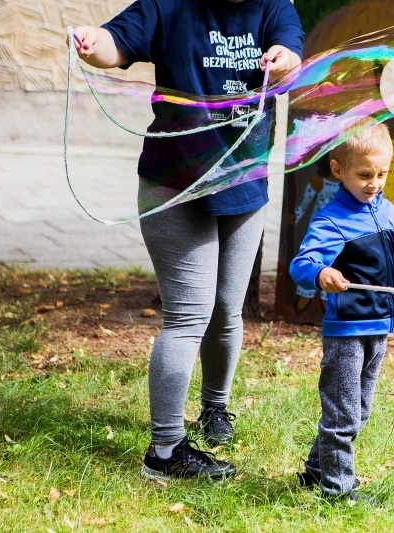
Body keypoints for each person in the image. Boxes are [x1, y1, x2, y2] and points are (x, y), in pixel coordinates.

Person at [70, 0, 304, 482]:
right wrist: (94, 44)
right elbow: (115, 45)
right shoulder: (168, 5)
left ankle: (215, 409)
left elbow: (289, 55)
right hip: (175, 185)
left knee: (227, 310)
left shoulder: (273, 7)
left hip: (242, 185)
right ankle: (164, 452)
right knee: (188, 316)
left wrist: (282, 62)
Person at [289, 122, 394, 503]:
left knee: (359, 411)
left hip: (378, 328)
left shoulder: (389, 213)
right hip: (345, 331)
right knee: (342, 416)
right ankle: (337, 491)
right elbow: (302, 263)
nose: (374, 182)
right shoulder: (332, 220)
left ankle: (314, 470)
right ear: (338, 170)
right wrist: (321, 273)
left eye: (382, 174)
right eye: (364, 174)